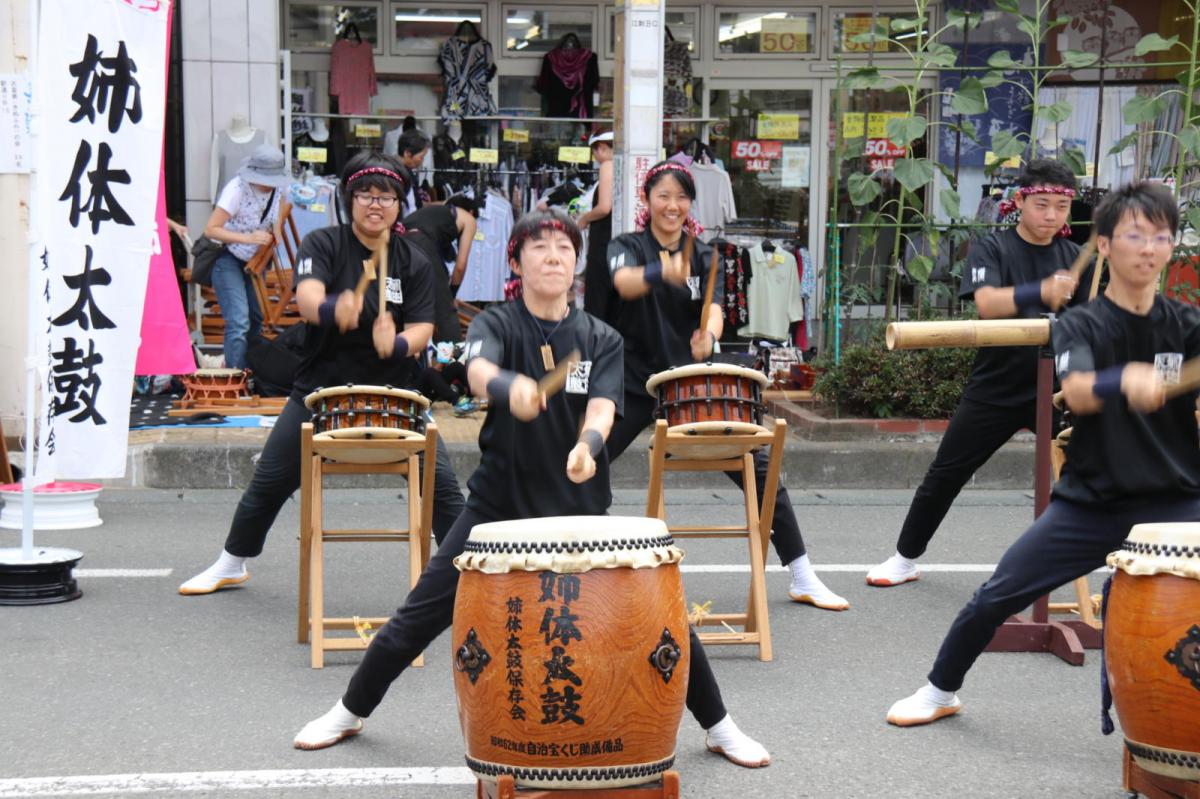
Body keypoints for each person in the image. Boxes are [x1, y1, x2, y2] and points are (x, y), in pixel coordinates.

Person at [292, 210, 771, 769]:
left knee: (659, 619)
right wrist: (509, 386)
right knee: (419, 613)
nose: (553, 256)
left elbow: (603, 407)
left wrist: (588, 446)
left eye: (564, 249)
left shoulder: (600, 337)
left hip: (580, 508)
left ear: (576, 266)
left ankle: (719, 726)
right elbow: (478, 372)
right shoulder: (496, 323)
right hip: (498, 506)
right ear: (517, 262)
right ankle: (349, 710)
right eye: (539, 247)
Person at [886, 181, 1200, 726]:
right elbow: (1077, 392)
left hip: (1177, 504)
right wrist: (1124, 380)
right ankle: (940, 691)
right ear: (1105, 245)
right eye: (1134, 235)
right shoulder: (1082, 324)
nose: (1148, 248)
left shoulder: (1188, 325)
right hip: (1093, 503)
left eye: (1160, 237)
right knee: (994, 597)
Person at [178, 153, 465, 595]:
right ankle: (231, 562)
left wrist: (397, 343)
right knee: (271, 478)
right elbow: (308, 300)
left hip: (397, 393)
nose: (375, 204)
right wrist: (334, 308)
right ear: (350, 199)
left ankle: (465, 572)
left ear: (398, 205)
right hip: (321, 389)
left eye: (386, 197)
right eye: (366, 195)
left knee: (443, 485)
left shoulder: (413, 260)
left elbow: (423, 328)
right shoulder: (324, 244)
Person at [605, 161, 847, 611]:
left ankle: (802, 574)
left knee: (757, 465)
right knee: (588, 457)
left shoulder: (704, 255)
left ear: (690, 203)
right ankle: (579, 562)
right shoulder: (626, 246)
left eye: (681, 197)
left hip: (688, 383)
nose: (672, 205)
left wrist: (710, 336)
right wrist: (661, 272)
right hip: (631, 379)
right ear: (647, 199)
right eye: (663, 196)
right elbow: (624, 282)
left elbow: (714, 308)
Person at [867, 158, 1092, 587]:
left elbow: (1090, 325)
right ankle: (904, 557)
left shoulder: (1076, 258)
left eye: (1061, 207)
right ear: (1020, 201)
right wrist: (1043, 291)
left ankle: (1108, 559)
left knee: (1100, 466)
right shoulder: (992, 247)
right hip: (997, 384)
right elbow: (987, 304)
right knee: (947, 472)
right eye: (1042, 204)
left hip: (1058, 387)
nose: (1051, 215)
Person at [202, 145, 289, 369]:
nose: (271, 185)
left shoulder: (278, 188)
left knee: (256, 317)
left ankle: (250, 368)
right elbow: (211, 229)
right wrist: (248, 238)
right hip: (227, 258)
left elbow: (280, 205)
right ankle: (236, 374)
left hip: (255, 261)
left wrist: (277, 230)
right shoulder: (236, 189)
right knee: (239, 320)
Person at [403, 195, 479, 342]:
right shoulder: (469, 219)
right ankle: (452, 354)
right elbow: (460, 266)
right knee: (445, 311)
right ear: (471, 211)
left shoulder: (437, 211)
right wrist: (451, 294)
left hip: (398, 240)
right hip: (420, 242)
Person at [577, 131, 615, 325]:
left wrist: (584, 219)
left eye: (594, 152)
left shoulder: (608, 166)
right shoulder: (624, 166)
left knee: (597, 294)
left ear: (601, 148)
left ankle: (595, 336)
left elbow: (604, 207)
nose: (595, 157)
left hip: (603, 239)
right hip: (615, 238)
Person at [397, 129, 430, 212]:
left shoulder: (408, 171)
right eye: (421, 157)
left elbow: (417, 203)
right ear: (407, 154)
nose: (422, 161)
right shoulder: (398, 175)